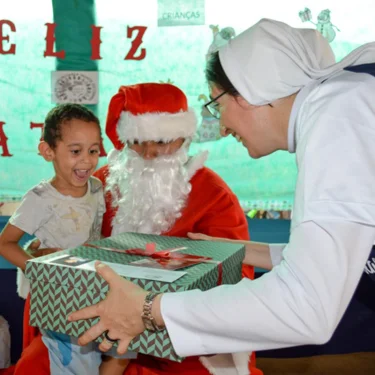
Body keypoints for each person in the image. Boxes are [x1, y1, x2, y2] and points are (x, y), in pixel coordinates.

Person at [68, 17, 375, 362]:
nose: (223, 127)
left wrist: (150, 309)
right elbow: (345, 249)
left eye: (217, 104)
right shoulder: (344, 106)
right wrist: (240, 250)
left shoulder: (339, 120)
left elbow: (305, 307)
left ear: (249, 91)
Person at [15, 83, 262, 375]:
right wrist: (45, 251)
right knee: (38, 363)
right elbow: (70, 235)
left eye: (160, 141)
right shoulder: (99, 182)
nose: (148, 153)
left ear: (183, 137)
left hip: (174, 335)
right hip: (97, 322)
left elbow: (236, 272)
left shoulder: (213, 194)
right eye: (136, 141)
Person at [0, 104, 132, 375]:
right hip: (58, 292)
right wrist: (37, 268)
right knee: (73, 361)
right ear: (48, 151)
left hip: (93, 286)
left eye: (93, 150)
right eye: (75, 151)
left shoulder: (96, 188)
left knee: (123, 346)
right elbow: (5, 243)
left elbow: (94, 234)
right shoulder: (40, 198)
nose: (87, 160)